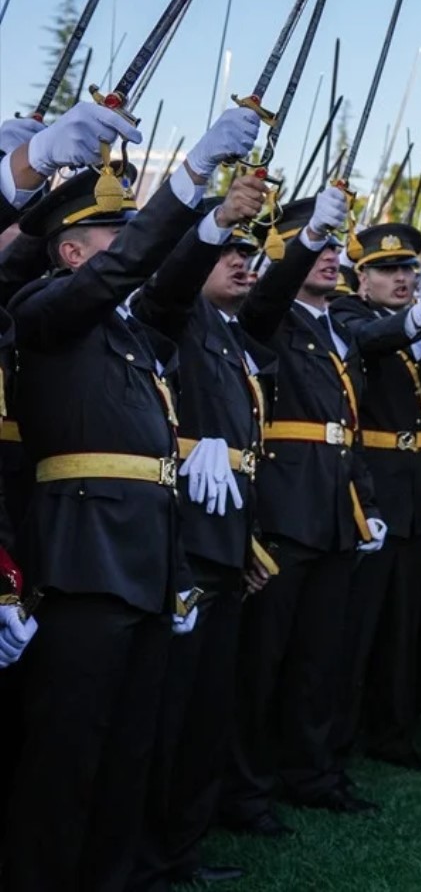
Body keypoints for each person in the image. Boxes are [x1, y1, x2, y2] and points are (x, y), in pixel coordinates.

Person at [2, 102, 257, 890]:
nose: (130, 250)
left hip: (145, 560)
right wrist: (182, 183)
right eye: (114, 237)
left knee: (129, 747)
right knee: (69, 751)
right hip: (83, 559)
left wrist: (207, 214)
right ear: (73, 250)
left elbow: (168, 282)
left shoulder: (128, 330)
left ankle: (118, 878)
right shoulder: (44, 309)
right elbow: (131, 267)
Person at [223, 186, 386, 837]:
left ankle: (312, 772)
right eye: (307, 246)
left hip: (335, 508)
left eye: (328, 246)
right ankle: (245, 788)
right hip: (285, 510)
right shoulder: (268, 316)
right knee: (263, 662)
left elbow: (350, 426)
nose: (326, 258)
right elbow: (264, 300)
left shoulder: (337, 327)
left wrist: (365, 503)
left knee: (322, 658)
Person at [130, 179, 275, 891]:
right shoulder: (178, 313)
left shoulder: (230, 336)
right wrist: (212, 221)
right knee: (170, 711)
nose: (243, 263)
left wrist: (244, 543)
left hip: (222, 544)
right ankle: (151, 854)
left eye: (251, 254)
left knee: (206, 710)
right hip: (180, 542)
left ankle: (181, 848)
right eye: (230, 255)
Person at [332, 223, 421, 775]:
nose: (402, 278)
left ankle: (394, 732)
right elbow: (371, 341)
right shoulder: (347, 315)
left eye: (408, 269)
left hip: (413, 487)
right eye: (388, 270)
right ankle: (337, 740)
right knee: (357, 626)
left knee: (402, 626)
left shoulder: (416, 326)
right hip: (371, 489)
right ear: (361, 279)